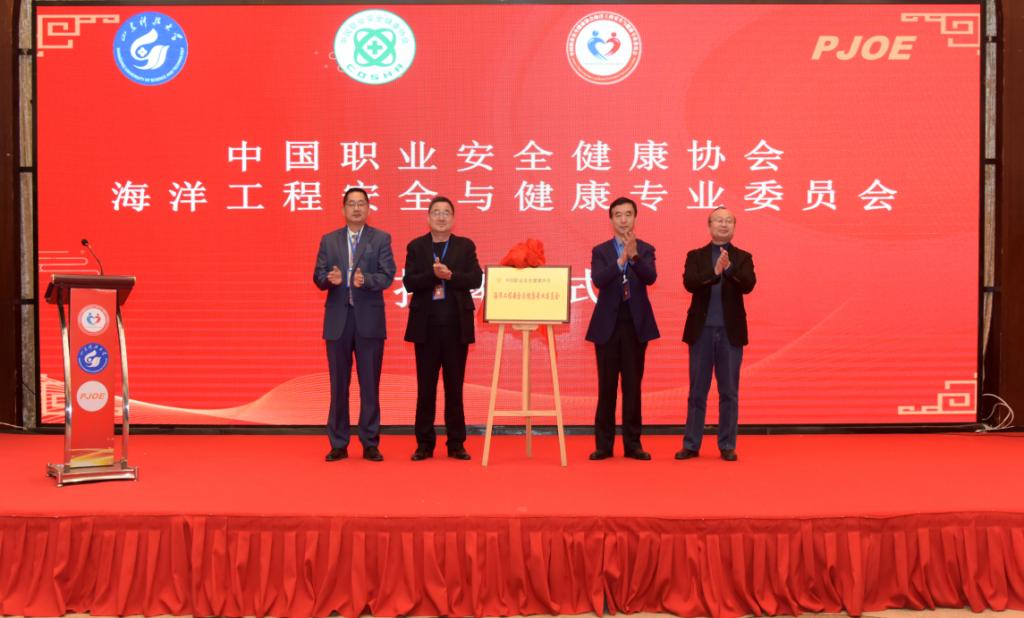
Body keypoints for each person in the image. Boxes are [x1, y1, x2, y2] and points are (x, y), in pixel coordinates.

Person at [313, 187, 396, 462]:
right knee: (339, 385)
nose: (357, 208)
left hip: (369, 321)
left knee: (369, 385)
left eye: (361, 203)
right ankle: (338, 443)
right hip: (338, 321)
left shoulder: (380, 238)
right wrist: (330, 279)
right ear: (343, 209)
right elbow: (317, 275)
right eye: (351, 204)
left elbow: (388, 274)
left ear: (368, 208)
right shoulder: (329, 240)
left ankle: (370, 442)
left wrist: (366, 280)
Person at [403, 196, 483, 461]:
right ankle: (424, 444)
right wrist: (433, 275)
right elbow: (409, 282)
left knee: (454, 388)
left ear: (453, 218)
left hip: (456, 327)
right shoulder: (416, 246)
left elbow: (476, 278)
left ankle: (456, 443)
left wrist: (451, 277)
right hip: (426, 328)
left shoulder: (465, 246)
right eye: (436, 212)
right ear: (428, 217)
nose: (441, 217)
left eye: (446, 212)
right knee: (425, 388)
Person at [678, 207, 756, 462]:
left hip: (730, 334)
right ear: (709, 225)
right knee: (697, 392)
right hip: (701, 332)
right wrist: (714, 273)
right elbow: (690, 283)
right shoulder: (695, 256)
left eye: (728, 221)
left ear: (734, 226)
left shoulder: (742, 257)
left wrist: (729, 269)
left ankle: (727, 444)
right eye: (719, 220)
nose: (724, 224)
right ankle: (691, 444)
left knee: (729, 392)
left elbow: (748, 284)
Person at [585, 197, 660, 460]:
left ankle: (633, 444)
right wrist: (621, 260)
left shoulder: (646, 249)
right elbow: (598, 280)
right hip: (607, 327)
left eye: (628, 214)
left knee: (632, 387)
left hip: (635, 327)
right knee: (606, 387)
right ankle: (603, 445)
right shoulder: (600, 251)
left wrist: (634, 255)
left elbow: (650, 277)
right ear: (611, 220)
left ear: (635, 218)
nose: (624, 219)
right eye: (618, 215)